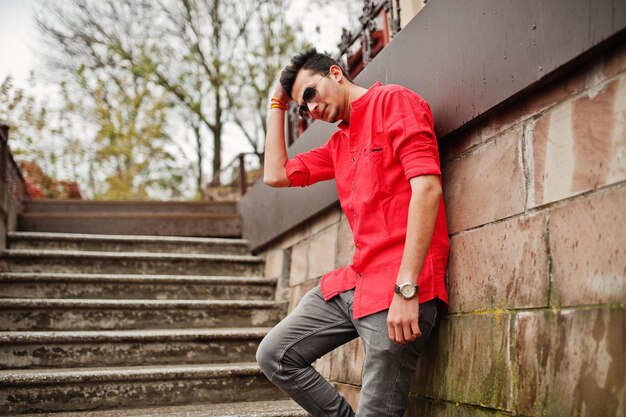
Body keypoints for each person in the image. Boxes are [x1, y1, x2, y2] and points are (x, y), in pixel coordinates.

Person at [256, 48, 449, 417]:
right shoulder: (338, 144)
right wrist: (276, 106)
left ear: (335, 73)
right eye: (302, 108)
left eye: (310, 94)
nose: (310, 110)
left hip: (398, 289)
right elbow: (276, 174)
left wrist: (407, 290)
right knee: (274, 354)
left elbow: (428, 190)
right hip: (354, 283)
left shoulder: (394, 102)